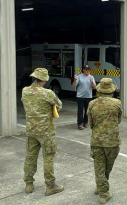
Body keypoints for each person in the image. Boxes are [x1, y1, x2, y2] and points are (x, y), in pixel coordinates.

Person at [22, 68, 64, 196]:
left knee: (30, 157)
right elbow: (59, 105)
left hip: (31, 130)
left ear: (34, 78)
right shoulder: (48, 93)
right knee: (48, 159)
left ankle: (29, 184)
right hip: (46, 132)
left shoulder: (25, 91)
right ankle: (50, 186)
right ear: (44, 80)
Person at [87, 78, 123, 204]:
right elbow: (119, 120)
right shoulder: (117, 103)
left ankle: (101, 186)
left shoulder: (92, 104)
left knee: (99, 167)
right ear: (111, 90)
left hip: (97, 140)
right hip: (112, 141)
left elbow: (90, 124)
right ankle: (103, 193)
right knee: (108, 166)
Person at [72, 65, 96, 130]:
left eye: (88, 70)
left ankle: (86, 122)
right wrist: (75, 79)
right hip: (80, 96)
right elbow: (74, 85)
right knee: (80, 110)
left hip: (88, 96)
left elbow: (94, 87)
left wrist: (91, 82)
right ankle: (80, 123)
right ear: (83, 70)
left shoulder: (91, 77)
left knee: (87, 110)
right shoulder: (79, 76)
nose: (87, 71)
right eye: (86, 70)